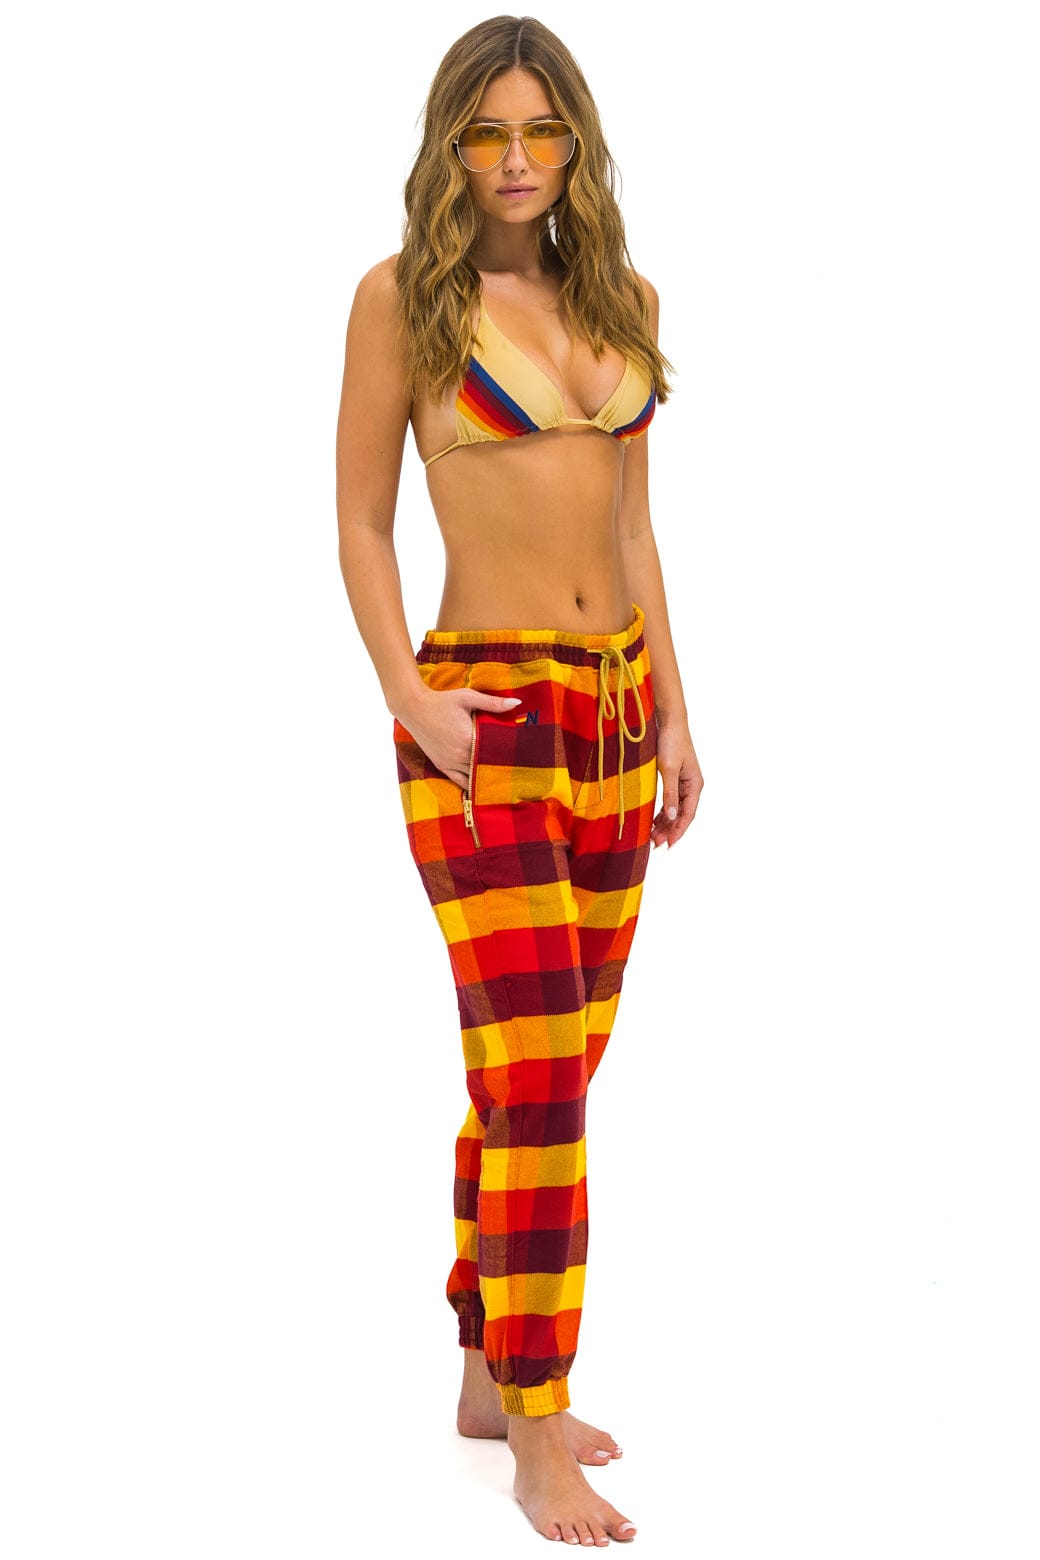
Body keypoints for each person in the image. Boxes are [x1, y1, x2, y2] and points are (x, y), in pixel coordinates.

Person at [335, 14, 703, 1546]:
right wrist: (409, 697)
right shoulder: (401, 302)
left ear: (575, 146)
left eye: (540, 130)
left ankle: (489, 1361)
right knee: (541, 1068)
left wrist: (675, 708)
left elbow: (631, 528)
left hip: (614, 713)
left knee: (550, 1060)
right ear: (449, 146)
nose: (513, 158)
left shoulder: (623, 300)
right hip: (483, 720)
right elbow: (361, 521)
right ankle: (541, 1424)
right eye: (485, 132)